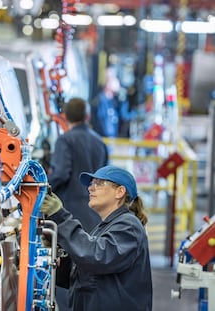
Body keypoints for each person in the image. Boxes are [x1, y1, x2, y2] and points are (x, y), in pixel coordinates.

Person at [41, 165, 153, 311]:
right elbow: (84, 275)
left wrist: (60, 218)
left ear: (120, 192)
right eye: (91, 184)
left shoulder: (129, 226)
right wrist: (57, 247)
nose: (90, 188)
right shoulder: (105, 227)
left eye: (98, 184)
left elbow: (97, 257)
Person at [48, 97, 108, 233]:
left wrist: (41, 188)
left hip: (69, 212)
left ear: (65, 117)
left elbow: (60, 174)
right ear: (88, 116)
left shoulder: (65, 140)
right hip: (96, 213)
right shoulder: (100, 142)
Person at [91, 67, 136, 138]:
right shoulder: (101, 101)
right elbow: (103, 125)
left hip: (112, 137)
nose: (117, 82)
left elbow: (124, 115)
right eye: (113, 78)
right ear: (107, 82)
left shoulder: (115, 100)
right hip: (106, 139)